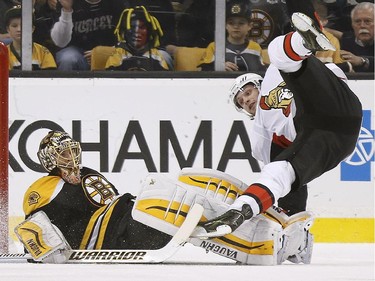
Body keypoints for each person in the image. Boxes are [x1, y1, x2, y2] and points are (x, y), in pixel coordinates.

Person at [196, 11, 362, 257]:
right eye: (242, 102)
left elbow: (334, 75)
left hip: (334, 106)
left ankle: (305, 38)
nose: (247, 100)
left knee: (278, 54)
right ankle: (255, 219)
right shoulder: (261, 130)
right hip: (324, 138)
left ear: (259, 84)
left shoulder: (274, 74)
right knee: (282, 171)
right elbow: (273, 172)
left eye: (248, 92)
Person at [22, 130, 171, 255]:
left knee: (152, 203)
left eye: (72, 151)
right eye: (64, 153)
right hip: (112, 235)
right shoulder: (43, 187)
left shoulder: (87, 172)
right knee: (160, 213)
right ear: (49, 158)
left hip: (123, 223)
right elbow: (32, 229)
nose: (71, 157)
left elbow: (113, 199)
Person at [50, 0, 122, 71]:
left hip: (110, 53)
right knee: (67, 58)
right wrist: (67, 11)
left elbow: (127, 39)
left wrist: (100, 53)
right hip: (78, 53)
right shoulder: (69, 2)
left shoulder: (117, 4)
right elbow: (60, 42)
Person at [197, 0, 266, 72]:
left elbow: (262, 71)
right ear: (225, 25)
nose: (236, 26)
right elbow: (201, 71)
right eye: (231, 23)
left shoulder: (255, 48)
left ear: (249, 26)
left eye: (241, 23)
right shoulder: (214, 47)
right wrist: (218, 66)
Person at [105, 5, 170, 71]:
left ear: (149, 31)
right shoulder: (118, 54)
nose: (137, 32)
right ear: (125, 31)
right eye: (132, 27)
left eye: (141, 27)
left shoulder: (157, 56)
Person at [5, 5, 57, 70]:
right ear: (8, 29)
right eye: (14, 26)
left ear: (32, 29)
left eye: (23, 25)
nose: (19, 29)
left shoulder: (43, 52)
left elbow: (50, 77)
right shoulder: (3, 53)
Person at [337, 2, 374, 72]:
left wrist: (362, 61)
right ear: (352, 25)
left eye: (367, 21)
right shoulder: (344, 45)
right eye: (357, 21)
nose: (362, 25)